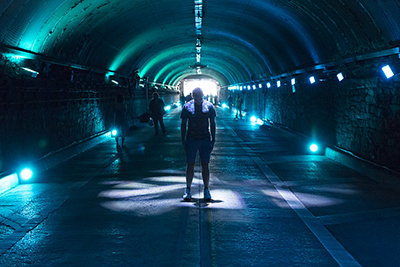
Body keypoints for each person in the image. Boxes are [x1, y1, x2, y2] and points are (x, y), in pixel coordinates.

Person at [180, 87, 216, 201]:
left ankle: (206, 189)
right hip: (192, 138)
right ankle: (188, 189)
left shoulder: (209, 106)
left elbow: (212, 123)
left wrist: (213, 139)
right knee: (190, 164)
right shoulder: (187, 107)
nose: (197, 96)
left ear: (202, 95)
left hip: (204, 138)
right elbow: (183, 124)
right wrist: (183, 139)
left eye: (199, 94)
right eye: (195, 94)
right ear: (192, 95)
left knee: (205, 165)